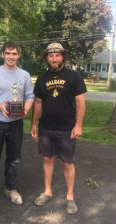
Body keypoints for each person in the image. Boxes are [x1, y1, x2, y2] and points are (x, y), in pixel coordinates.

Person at [0, 41, 34, 212]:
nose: (11, 56)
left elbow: (30, 96)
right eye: (8, 53)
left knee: (14, 159)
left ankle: (11, 188)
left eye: (14, 53)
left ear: (19, 55)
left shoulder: (24, 75)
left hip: (16, 123)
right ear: (3, 54)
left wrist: (26, 108)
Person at [30, 42, 87, 214]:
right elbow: (38, 102)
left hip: (66, 128)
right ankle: (47, 191)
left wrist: (78, 125)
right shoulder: (42, 79)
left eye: (57, 55)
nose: (54, 58)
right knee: (47, 159)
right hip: (46, 127)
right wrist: (33, 123)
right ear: (47, 58)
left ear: (62, 57)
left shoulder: (74, 76)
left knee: (67, 163)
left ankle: (70, 197)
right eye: (51, 55)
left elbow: (80, 102)